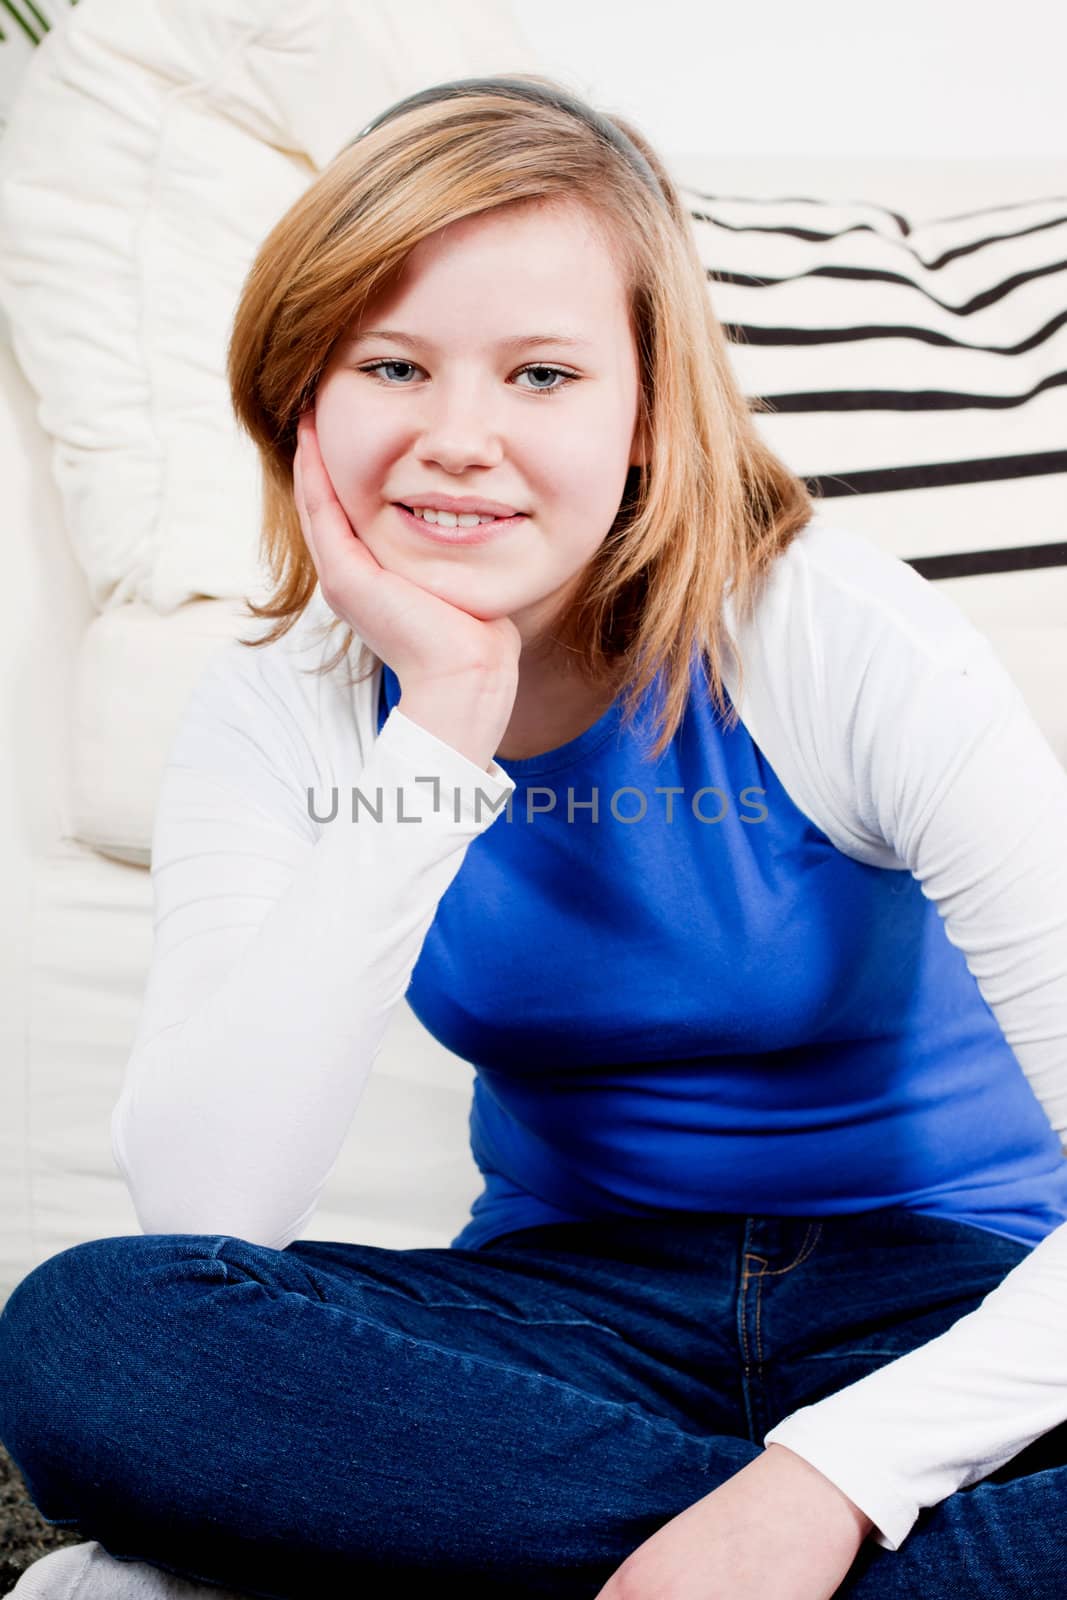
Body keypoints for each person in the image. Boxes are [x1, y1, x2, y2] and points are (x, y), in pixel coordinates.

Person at [2, 73, 1067, 1600]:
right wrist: (438, 718)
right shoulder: (285, 701)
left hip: (949, 1302)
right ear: (303, 393)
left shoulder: (838, 635)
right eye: (392, 366)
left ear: (649, 412)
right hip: (569, 1332)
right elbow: (210, 1210)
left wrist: (840, 1476)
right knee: (92, 1337)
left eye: (543, 375)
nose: (457, 438)